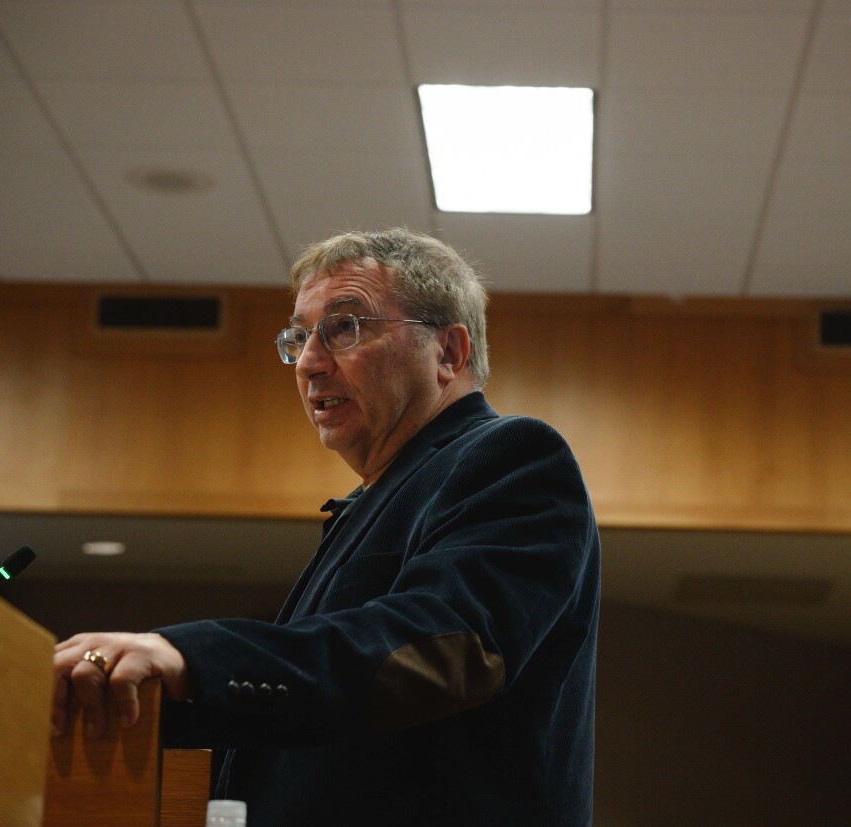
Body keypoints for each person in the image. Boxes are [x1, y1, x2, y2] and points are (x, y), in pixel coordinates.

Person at [51, 228, 601, 826]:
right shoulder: (372, 501)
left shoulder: (512, 458)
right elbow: (314, 719)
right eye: (299, 336)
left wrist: (192, 657)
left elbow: (437, 652)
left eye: (345, 327)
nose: (310, 363)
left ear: (448, 353)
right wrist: (123, 695)